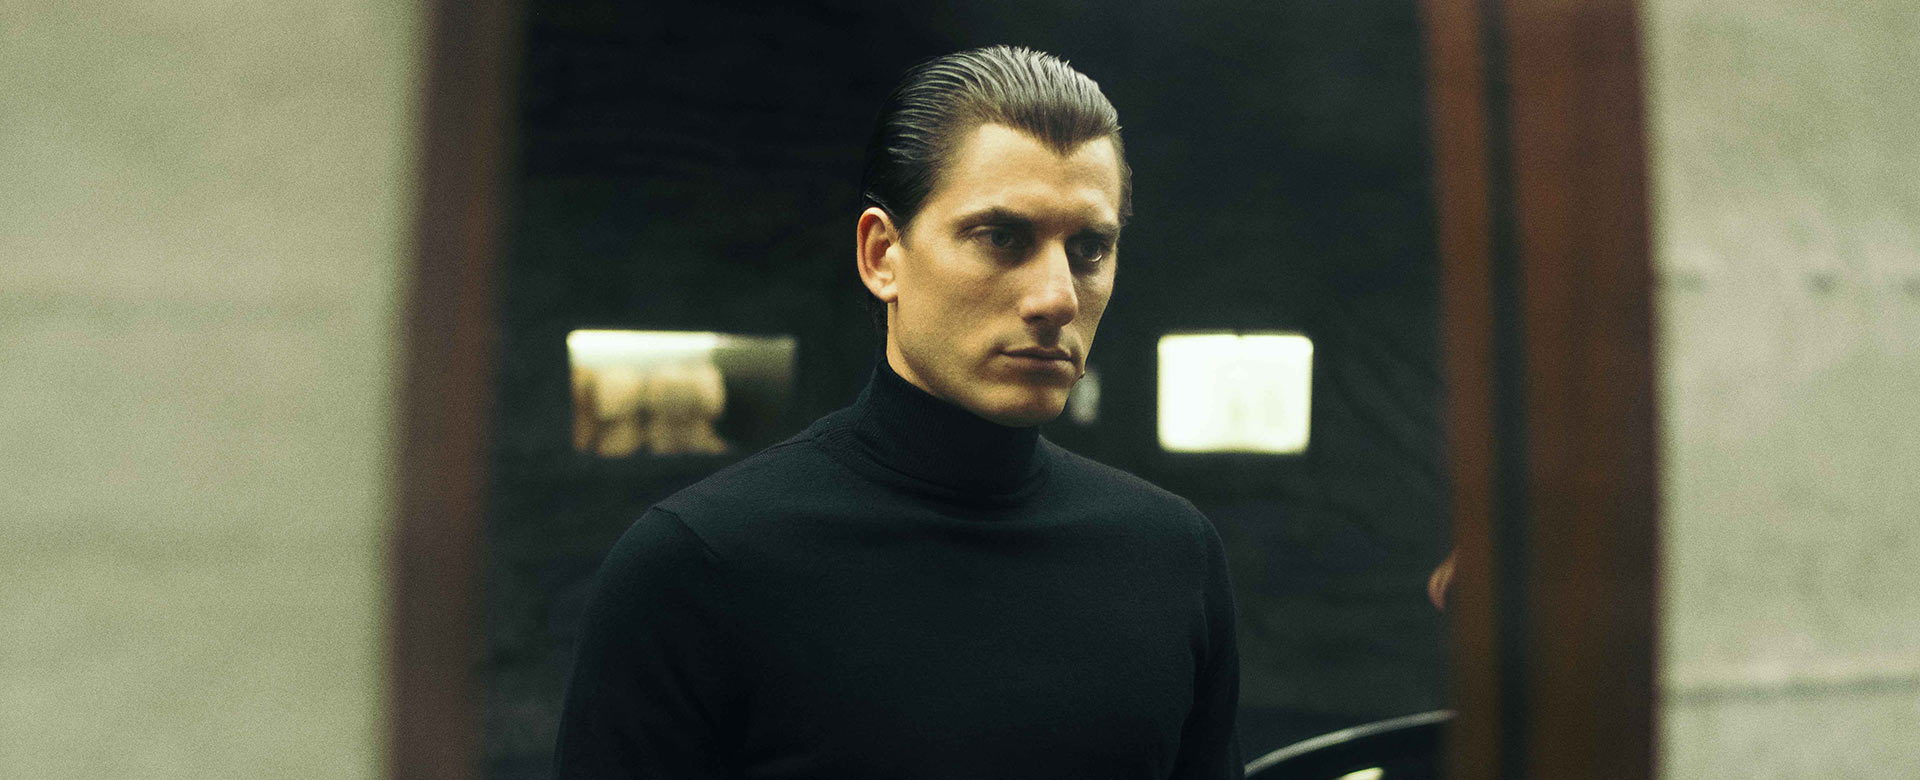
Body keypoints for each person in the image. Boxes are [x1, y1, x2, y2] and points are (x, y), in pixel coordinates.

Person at [554, 45, 1244, 779]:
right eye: (1002, 237)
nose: (1057, 297)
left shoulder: (1172, 557)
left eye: (1089, 248)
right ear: (883, 254)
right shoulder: (698, 567)